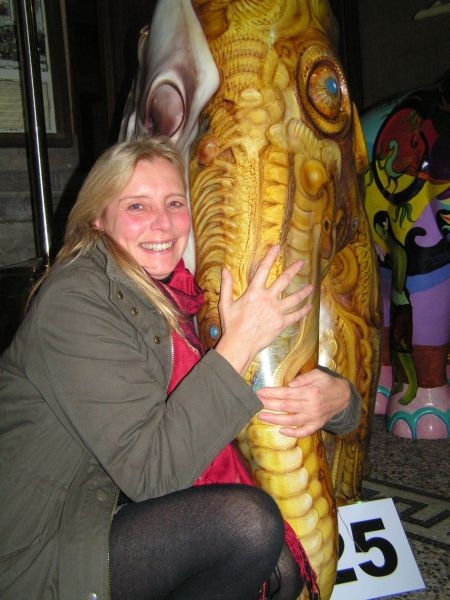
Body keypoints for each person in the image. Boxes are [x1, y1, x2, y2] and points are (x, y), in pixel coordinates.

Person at [0, 137, 360, 600]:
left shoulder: (176, 291)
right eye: (137, 205)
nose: (163, 222)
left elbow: (253, 381)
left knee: (281, 568)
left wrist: (339, 399)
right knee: (247, 527)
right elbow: (153, 473)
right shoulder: (76, 303)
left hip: (100, 507)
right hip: (40, 545)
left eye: (174, 203)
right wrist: (242, 339)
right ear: (97, 218)